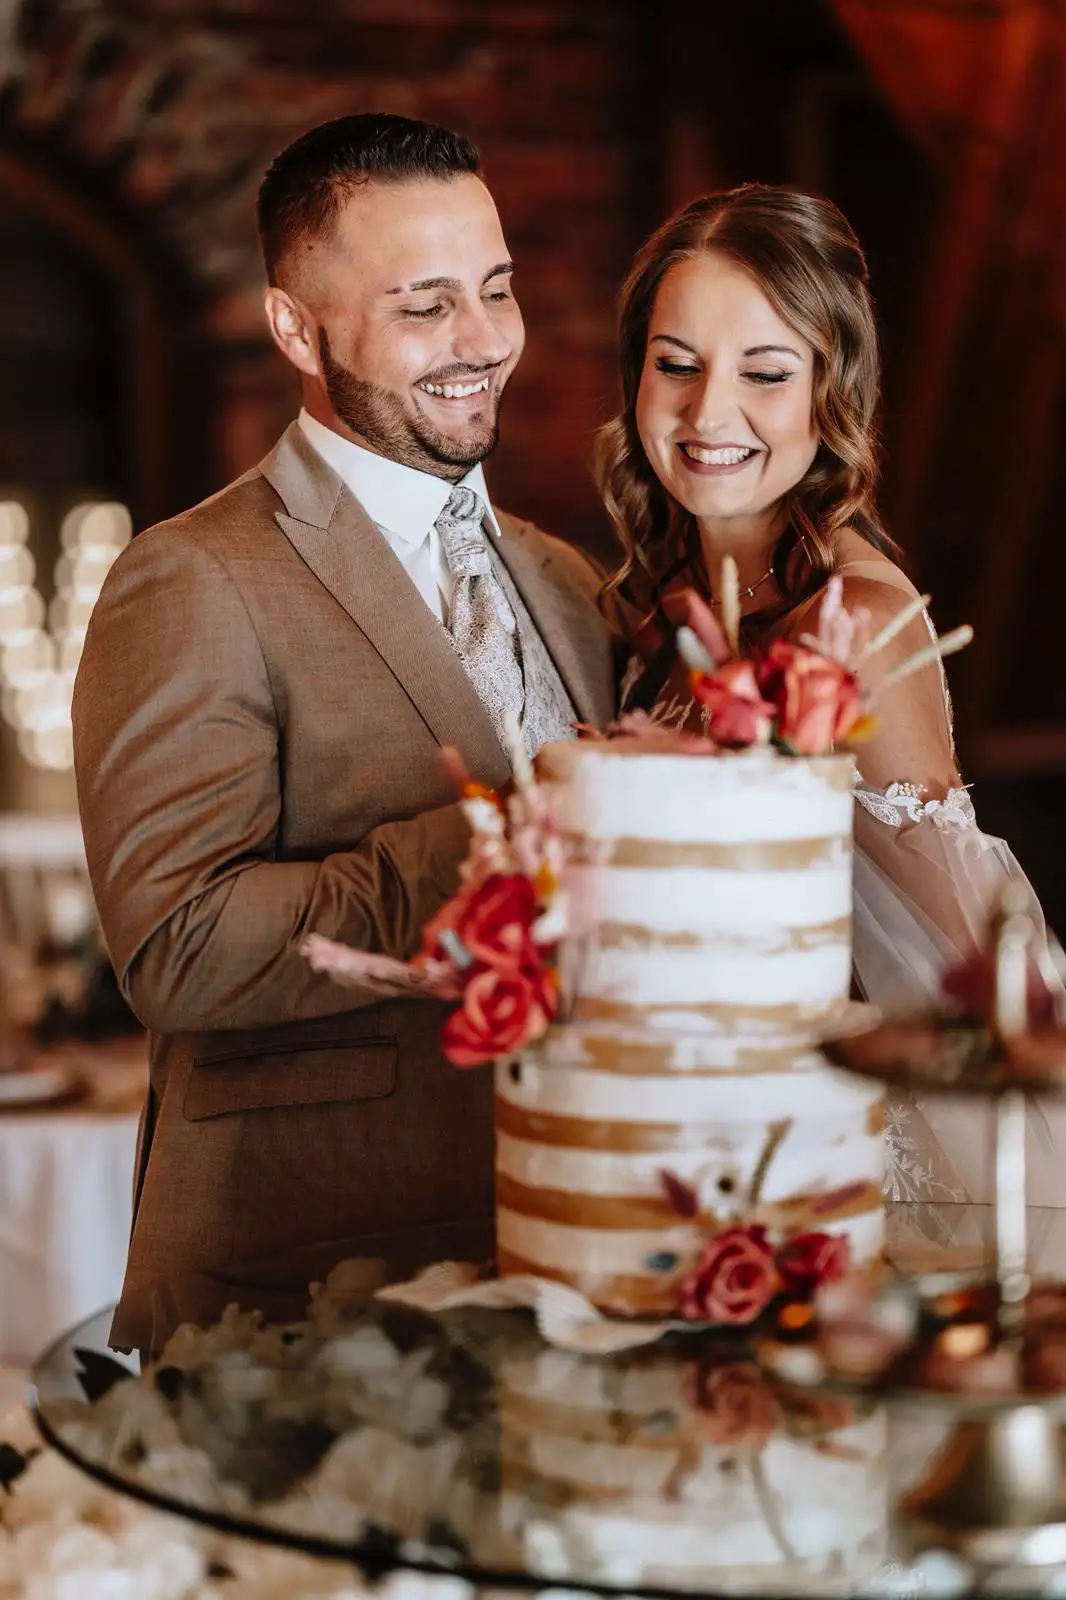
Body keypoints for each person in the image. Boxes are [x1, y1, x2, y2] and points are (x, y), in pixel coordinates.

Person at [72, 114, 615, 1348]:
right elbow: (176, 948)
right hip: (297, 1281)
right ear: (294, 328)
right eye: (425, 307)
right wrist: (486, 853)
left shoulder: (568, 581)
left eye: (496, 289)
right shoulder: (191, 576)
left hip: (555, 1257)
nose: (483, 342)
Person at [596, 182, 1054, 1209]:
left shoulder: (857, 624)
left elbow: (961, 987)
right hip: (667, 1154)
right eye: (675, 365)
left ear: (829, 390)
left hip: (828, 1177)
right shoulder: (648, 611)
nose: (709, 412)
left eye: (765, 372)